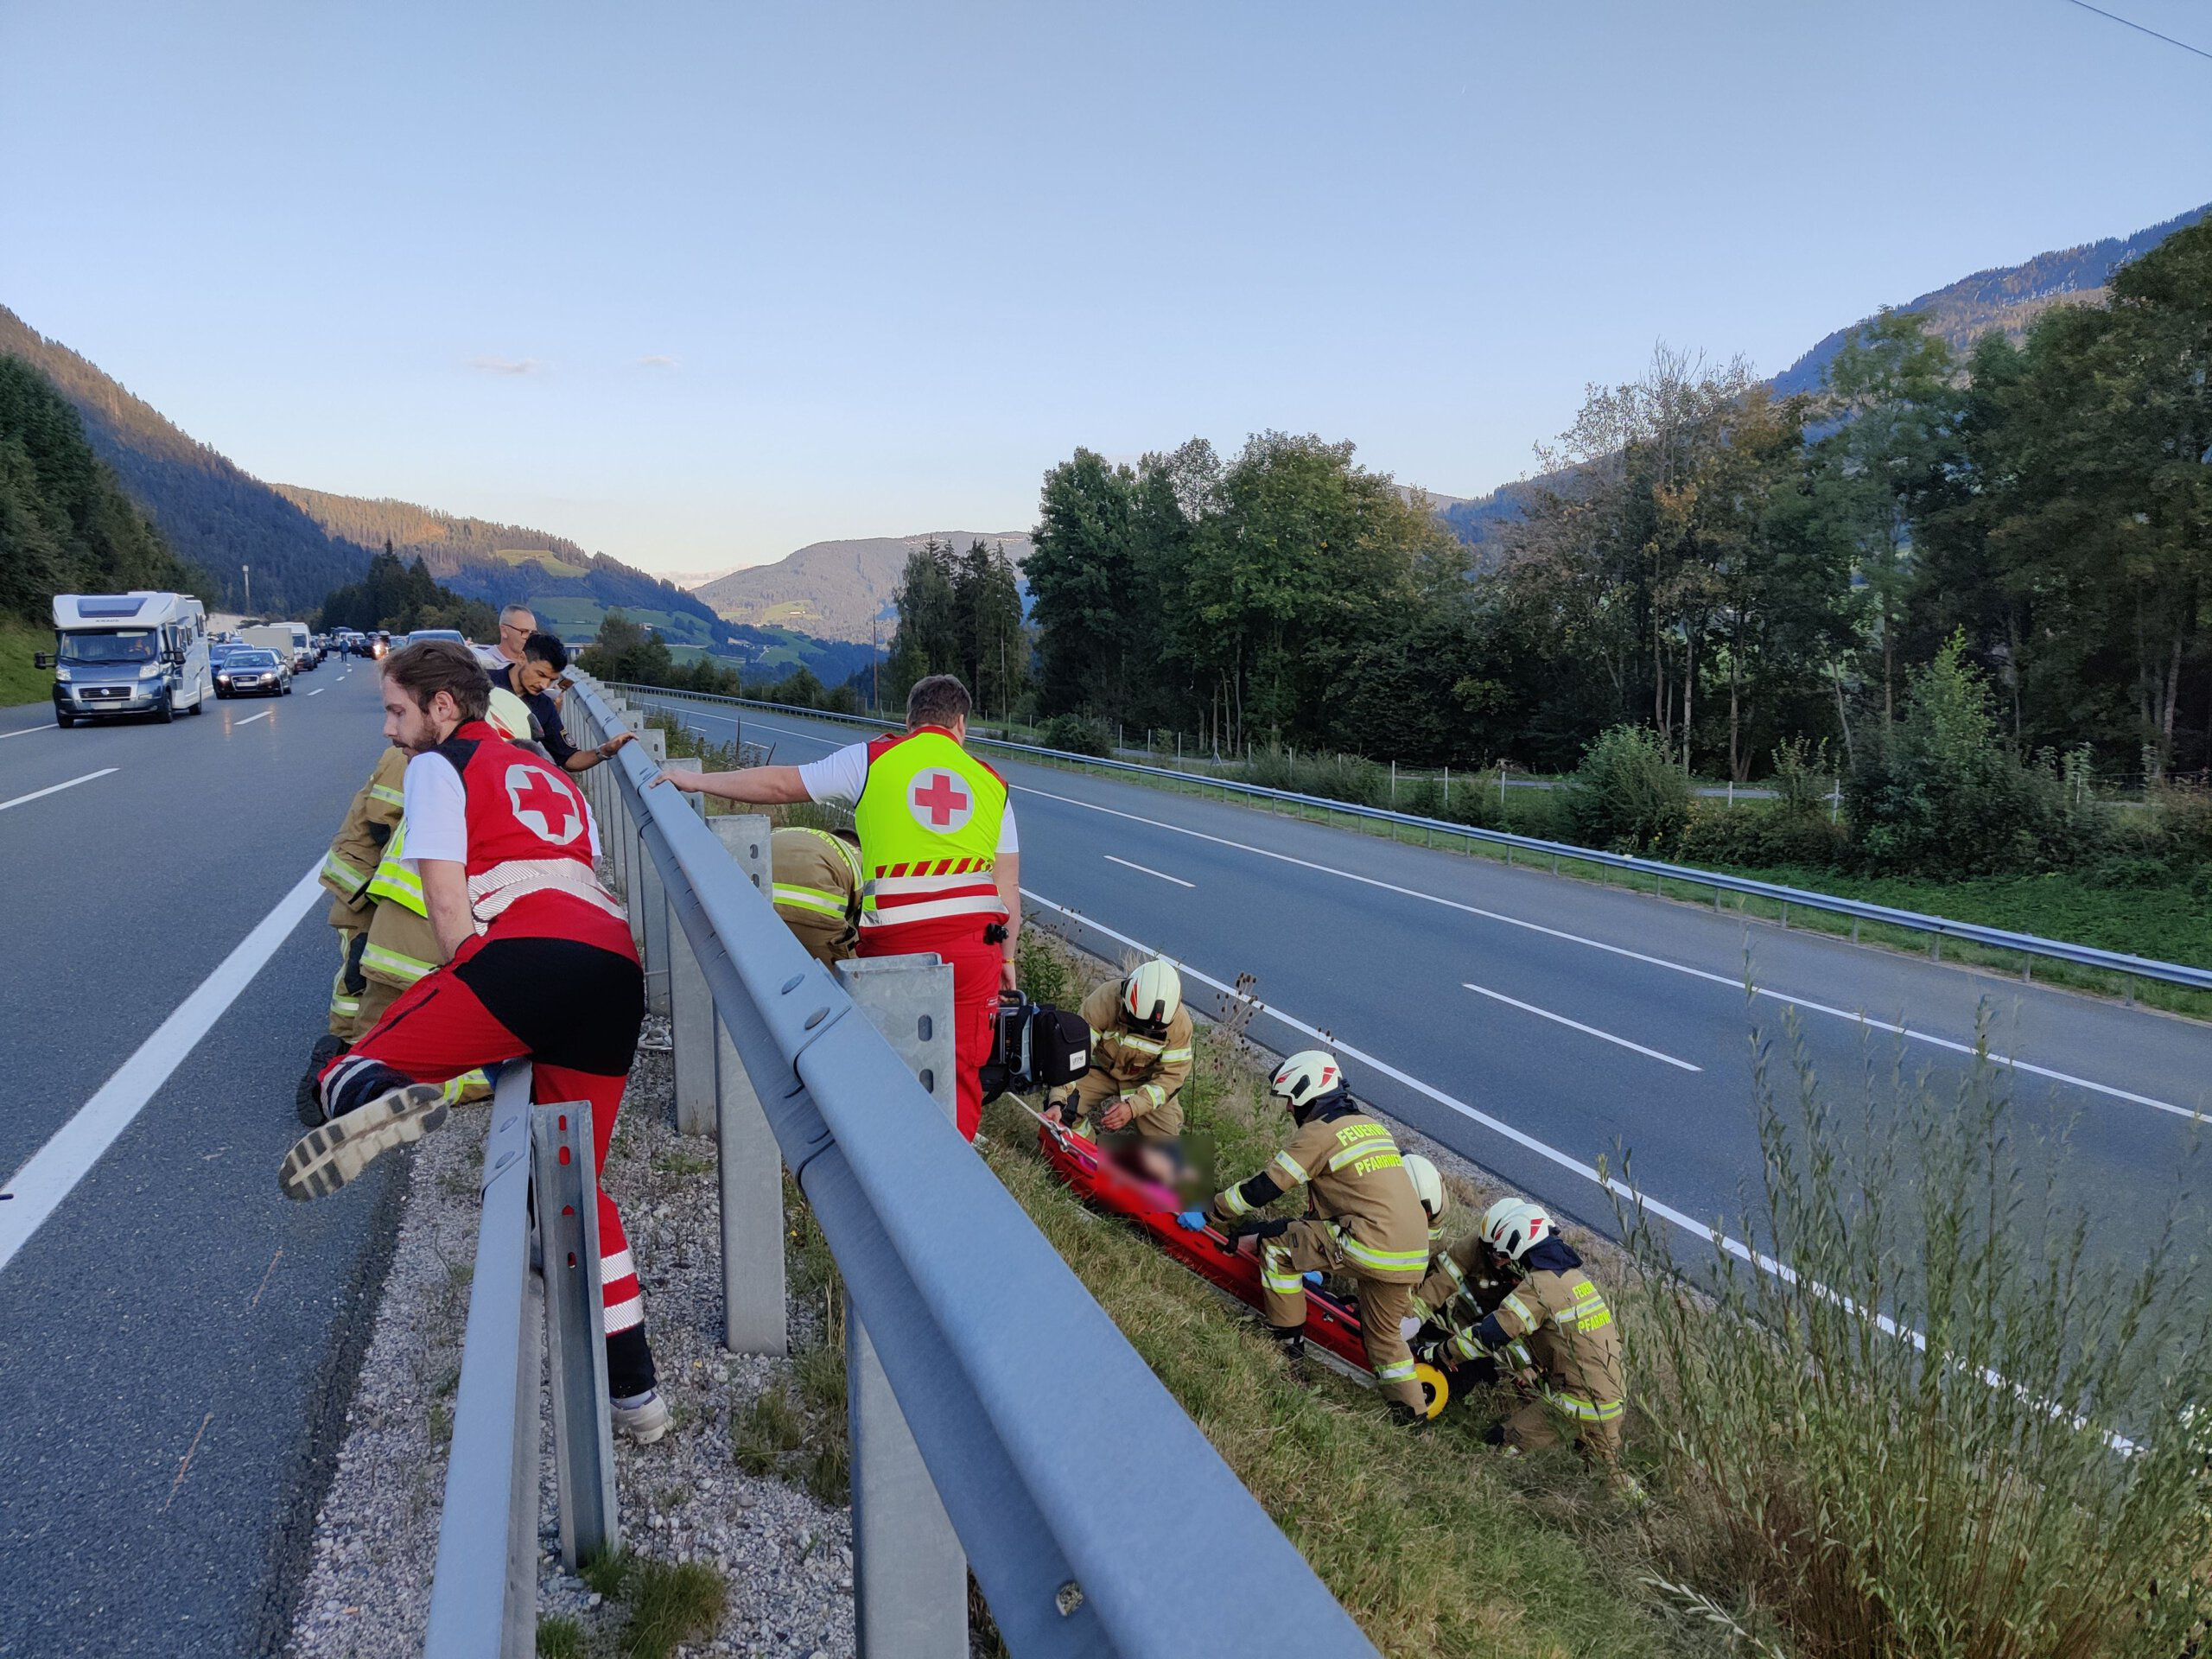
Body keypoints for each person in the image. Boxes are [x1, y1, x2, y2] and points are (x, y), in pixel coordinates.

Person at [276, 639, 669, 1442]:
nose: (389, 730)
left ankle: (376, 1097)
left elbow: (451, 916)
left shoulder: (436, 769)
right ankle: (637, 1394)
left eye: (396, 710)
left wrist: (488, 1004)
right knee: (574, 1183)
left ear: (443, 707)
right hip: (616, 969)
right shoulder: (553, 773)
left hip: (527, 958)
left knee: (347, 1058)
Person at [652, 674, 1017, 1141]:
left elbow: (783, 784)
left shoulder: (875, 758)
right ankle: (948, 1177)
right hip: (975, 945)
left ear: (909, 721)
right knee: (963, 1067)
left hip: (897, 940)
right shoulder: (993, 784)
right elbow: (1008, 888)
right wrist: (1007, 959)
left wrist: (692, 779)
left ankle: (885, 1164)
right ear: (961, 724)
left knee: (886, 1061)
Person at [1176, 1051, 1431, 1427]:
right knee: (1385, 1340)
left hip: (1369, 1241)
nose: (1289, 1111)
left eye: (1290, 1102)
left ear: (1305, 1095)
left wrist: (1212, 1211)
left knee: (1278, 1246)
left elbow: (1266, 1188)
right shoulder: (1373, 1127)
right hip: (1410, 1255)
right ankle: (1413, 1418)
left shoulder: (1319, 1133)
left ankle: (1287, 1347)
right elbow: (1342, 1200)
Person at [1421, 1196, 1630, 1483]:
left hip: (1577, 1401)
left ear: (1520, 1249)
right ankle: (1642, 1511)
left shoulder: (1541, 1285)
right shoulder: (1570, 1277)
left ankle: (1493, 1489)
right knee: (1608, 1475)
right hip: (1611, 1398)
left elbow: (1492, 1334)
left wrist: (1441, 1353)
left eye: (1502, 1256)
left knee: (1499, 1444)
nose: (1498, 1263)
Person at [1045, 957, 1193, 1145]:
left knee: (1166, 1152)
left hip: (1147, 1082)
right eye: (1136, 1023)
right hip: (1100, 1071)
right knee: (1063, 1112)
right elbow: (1074, 1055)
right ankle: (1091, 1156)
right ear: (1126, 998)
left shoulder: (1180, 1025)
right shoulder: (1105, 1000)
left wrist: (1133, 1107)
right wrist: (1057, 1100)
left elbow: (1172, 1079)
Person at [499, 632, 634, 776]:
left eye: (552, 679)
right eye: (541, 675)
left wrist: (606, 750)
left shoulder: (545, 706)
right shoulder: (481, 684)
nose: (545, 685)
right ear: (521, 658)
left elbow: (569, 758)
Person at [771, 825, 863, 966]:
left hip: (752, 894)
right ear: (858, 848)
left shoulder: (804, 836)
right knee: (847, 974)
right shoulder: (863, 860)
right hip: (815, 904)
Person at [476, 601, 536, 681]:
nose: (529, 637)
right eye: (523, 631)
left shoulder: (536, 668)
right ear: (504, 631)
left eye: (533, 633)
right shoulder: (483, 663)